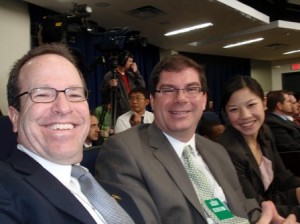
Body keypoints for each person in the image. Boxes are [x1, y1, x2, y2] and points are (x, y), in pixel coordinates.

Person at [95, 54, 297, 223]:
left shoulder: (216, 150)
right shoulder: (124, 151)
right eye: (168, 90)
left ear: (203, 100)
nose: (181, 98)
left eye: (191, 89)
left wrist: (268, 216)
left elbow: (240, 206)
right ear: (154, 101)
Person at [0, 43, 144, 223]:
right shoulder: (6, 190)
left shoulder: (117, 192)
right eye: (42, 94)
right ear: (15, 116)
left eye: (75, 94)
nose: (63, 107)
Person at [216, 76, 300, 220]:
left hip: (273, 204)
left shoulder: (264, 131)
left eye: (251, 105)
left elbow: (283, 177)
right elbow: (255, 206)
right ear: (226, 114)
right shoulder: (227, 150)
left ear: (264, 103)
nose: (245, 115)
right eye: (234, 109)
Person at [101, 50, 145, 120]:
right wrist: (109, 85)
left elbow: (142, 86)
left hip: (133, 110)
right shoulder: (110, 75)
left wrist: (136, 72)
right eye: (130, 61)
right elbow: (103, 93)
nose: (132, 64)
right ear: (123, 61)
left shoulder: (131, 74)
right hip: (121, 112)